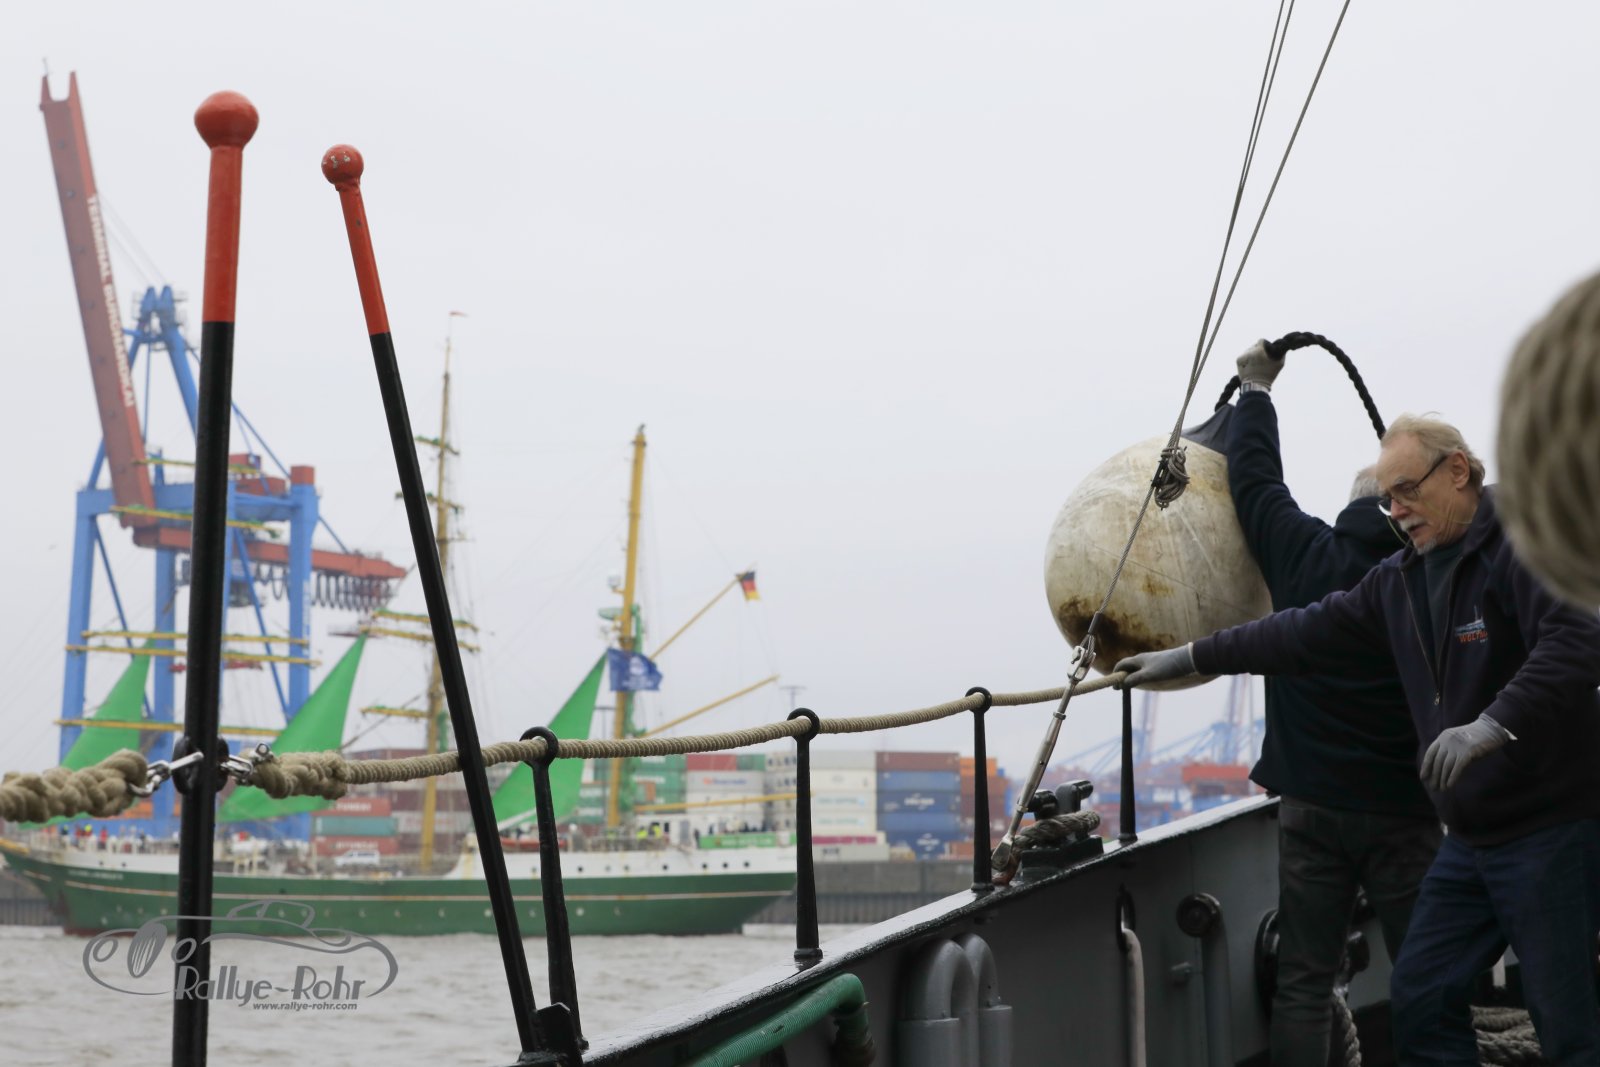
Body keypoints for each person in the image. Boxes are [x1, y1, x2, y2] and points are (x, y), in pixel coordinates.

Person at [1116, 414, 1600, 1063]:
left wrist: (1492, 725)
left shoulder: (1526, 544)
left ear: (1458, 471)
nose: (1396, 511)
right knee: (1421, 998)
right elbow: (1301, 631)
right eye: (1389, 498)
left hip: (1548, 830)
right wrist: (1191, 655)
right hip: (1472, 840)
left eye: (1407, 491)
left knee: (1566, 1022)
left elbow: (1577, 639)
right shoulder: (1400, 578)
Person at [1226, 343, 1442, 1066]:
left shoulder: (1299, 553)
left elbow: (1255, 481)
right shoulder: (1431, 576)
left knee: (1305, 981)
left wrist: (1256, 391)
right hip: (1402, 810)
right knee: (1426, 970)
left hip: (1310, 805)